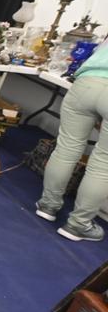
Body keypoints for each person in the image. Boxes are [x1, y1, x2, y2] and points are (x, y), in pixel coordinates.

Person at [37, 42, 108, 242]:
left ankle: (48, 205)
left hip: (87, 82)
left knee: (66, 148)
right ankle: (78, 225)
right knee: (103, 164)